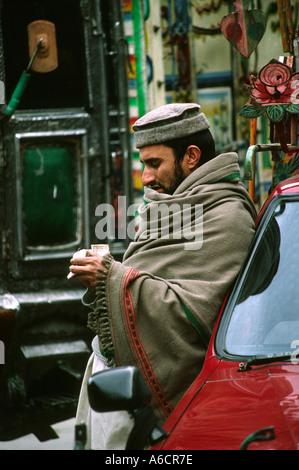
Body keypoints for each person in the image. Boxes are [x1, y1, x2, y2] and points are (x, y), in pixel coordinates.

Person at [71, 103, 257, 449]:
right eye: (144, 165)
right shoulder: (172, 205)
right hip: (115, 384)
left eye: (155, 164)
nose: (148, 177)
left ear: (191, 156)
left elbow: (196, 313)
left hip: (145, 403)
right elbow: (152, 273)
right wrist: (107, 274)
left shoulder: (228, 218)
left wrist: (110, 278)